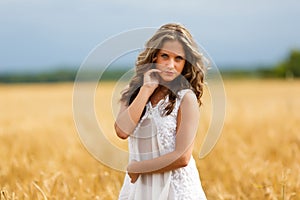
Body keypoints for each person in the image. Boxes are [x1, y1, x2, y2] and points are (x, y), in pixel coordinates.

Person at [114, 23, 207, 200]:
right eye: (165, 56)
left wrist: (137, 167)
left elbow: (182, 157)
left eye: (178, 59)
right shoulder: (132, 91)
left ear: (185, 63)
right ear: (154, 56)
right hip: (139, 189)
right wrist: (146, 89)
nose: (170, 65)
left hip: (175, 189)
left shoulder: (186, 98)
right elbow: (122, 131)